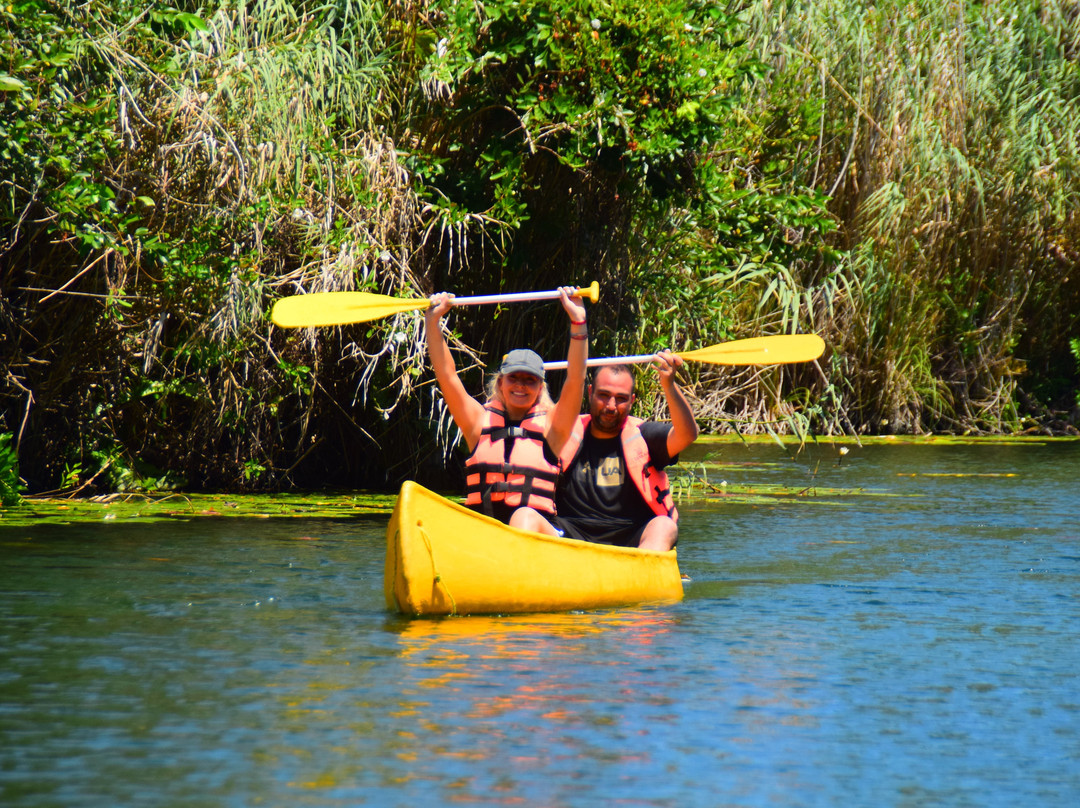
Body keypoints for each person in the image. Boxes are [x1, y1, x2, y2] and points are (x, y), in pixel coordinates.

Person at [425, 286, 588, 534]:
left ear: (540, 386)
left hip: (537, 531)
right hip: (489, 534)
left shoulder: (553, 427)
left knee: (523, 518)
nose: (521, 385)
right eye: (514, 378)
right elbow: (447, 377)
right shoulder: (478, 422)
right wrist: (433, 322)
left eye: (530, 380)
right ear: (501, 382)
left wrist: (578, 323)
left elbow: (575, 379)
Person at [555, 353, 699, 551]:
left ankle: (641, 574)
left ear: (631, 401)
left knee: (665, 526)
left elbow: (687, 435)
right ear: (590, 392)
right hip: (568, 535)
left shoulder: (644, 436)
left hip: (629, 540)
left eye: (621, 399)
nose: (611, 406)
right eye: (603, 395)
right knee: (526, 515)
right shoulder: (561, 433)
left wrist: (669, 384)